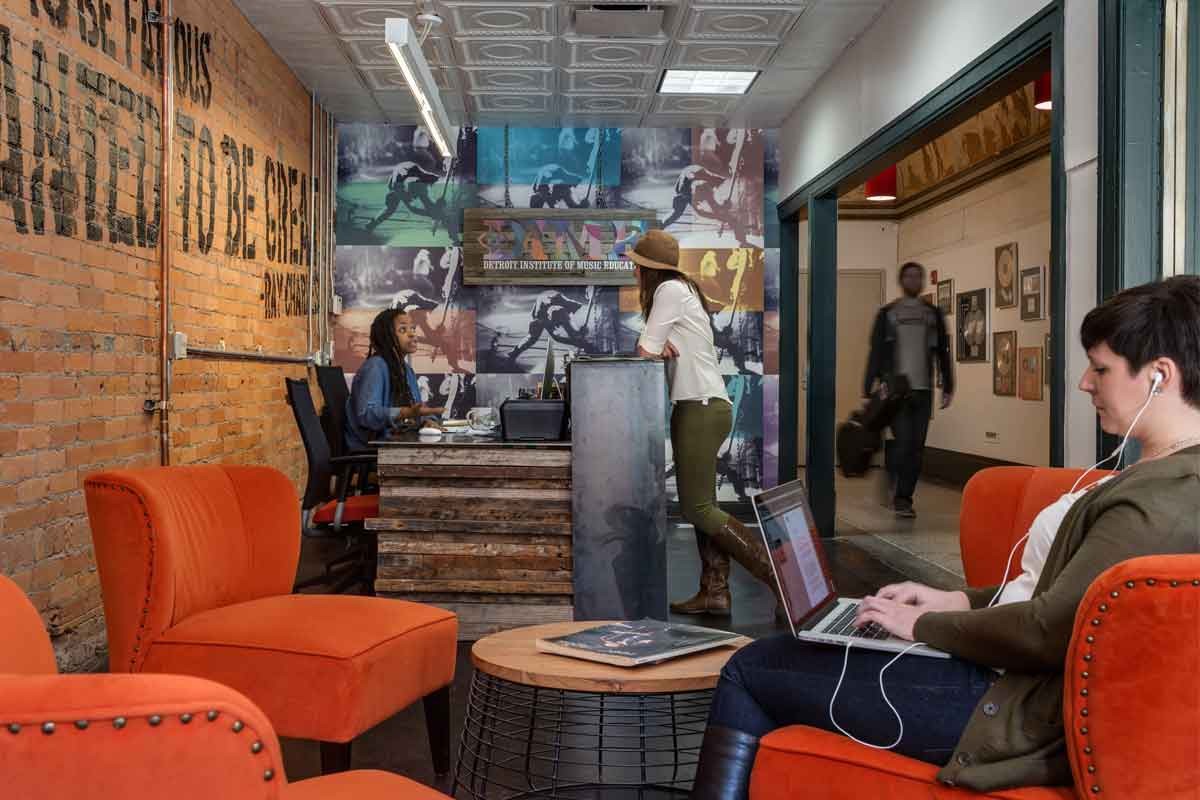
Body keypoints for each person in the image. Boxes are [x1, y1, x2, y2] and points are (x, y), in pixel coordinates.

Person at [691, 275, 1200, 799]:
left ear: (1159, 376)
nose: (1084, 384)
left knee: (751, 667)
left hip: (1012, 707)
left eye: (1101, 369)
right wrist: (957, 598)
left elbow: (1048, 630)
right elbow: (1065, 599)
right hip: (1011, 675)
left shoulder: (1161, 498)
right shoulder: (1163, 478)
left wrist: (925, 625)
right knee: (796, 654)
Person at [630, 229, 778, 616]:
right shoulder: (682, 291)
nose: (633, 272)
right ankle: (715, 592)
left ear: (648, 269)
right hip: (702, 405)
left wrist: (655, 347)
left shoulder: (669, 292)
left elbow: (644, 350)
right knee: (703, 504)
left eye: (636, 266)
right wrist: (659, 347)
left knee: (697, 509)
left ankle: (779, 576)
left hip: (700, 406)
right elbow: (655, 347)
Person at [863, 262, 955, 518]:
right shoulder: (889, 313)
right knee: (904, 441)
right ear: (901, 281)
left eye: (918, 276)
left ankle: (904, 496)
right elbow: (877, 350)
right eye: (909, 276)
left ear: (923, 281)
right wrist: (870, 382)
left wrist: (948, 385)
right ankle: (896, 487)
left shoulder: (933, 314)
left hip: (924, 390)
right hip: (897, 391)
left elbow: (942, 352)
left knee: (917, 446)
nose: (914, 280)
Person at [344, 308, 444, 451]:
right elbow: (366, 414)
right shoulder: (375, 367)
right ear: (387, 336)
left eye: (413, 328)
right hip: (373, 448)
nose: (412, 334)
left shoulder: (407, 370)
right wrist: (403, 412)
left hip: (398, 442)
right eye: (403, 330)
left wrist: (427, 421)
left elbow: (416, 410)